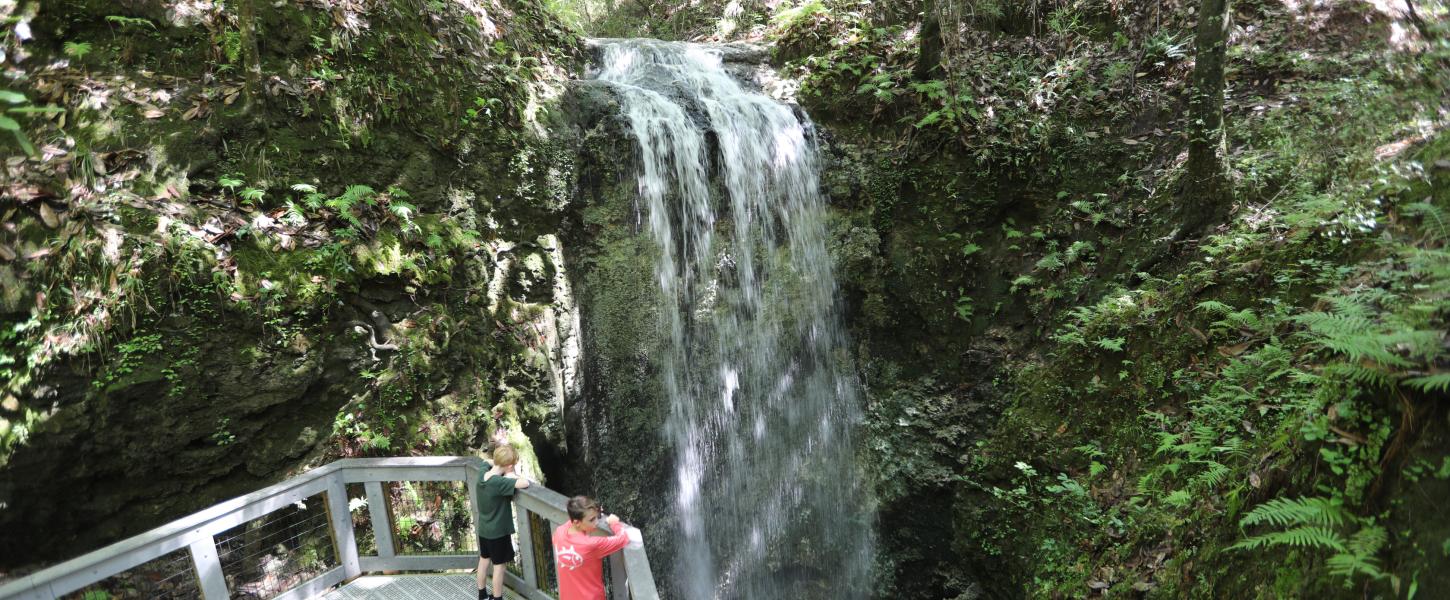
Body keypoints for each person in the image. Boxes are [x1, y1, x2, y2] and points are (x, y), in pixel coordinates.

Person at [476, 444, 530, 600]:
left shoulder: (482, 475)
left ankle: (482, 595)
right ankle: (497, 597)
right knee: (499, 567)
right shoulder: (499, 483)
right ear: (510, 465)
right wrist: (511, 475)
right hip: (498, 532)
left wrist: (500, 465)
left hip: (484, 530)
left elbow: (486, 462)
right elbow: (524, 483)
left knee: (484, 560)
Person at [552, 496, 631, 600]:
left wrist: (595, 511)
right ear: (577, 522)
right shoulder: (591, 545)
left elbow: (569, 524)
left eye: (596, 517)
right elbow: (623, 538)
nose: (596, 522)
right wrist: (614, 523)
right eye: (592, 520)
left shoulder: (559, 533)